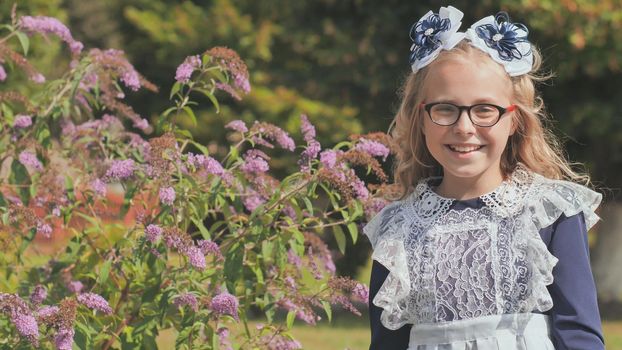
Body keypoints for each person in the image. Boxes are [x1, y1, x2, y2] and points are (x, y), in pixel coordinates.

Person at [363, 6, 605, 350]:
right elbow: (387, 342)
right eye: (445, 108)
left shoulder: (551, 213)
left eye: (484, 110)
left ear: (514, 120)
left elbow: (579, 336)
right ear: (421, 118)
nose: (464, 127)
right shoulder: (397, 228)